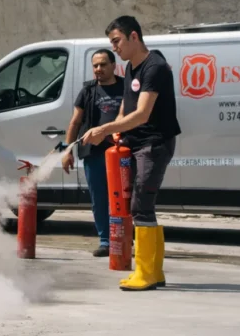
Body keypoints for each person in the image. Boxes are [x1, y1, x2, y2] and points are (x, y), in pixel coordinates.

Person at [81, 15, 181, 291]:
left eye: (117, 41)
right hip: (137, 143)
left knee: (140, 206)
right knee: (142, 206)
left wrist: (104, 129)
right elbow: (127, 107)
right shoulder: (130, 68)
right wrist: (117, 131)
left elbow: (142, 113)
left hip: (154, 144)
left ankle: (146, 273)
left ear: (134, 37)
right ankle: (154, 272)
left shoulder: (155, 67)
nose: (114, 48)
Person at [61, 49, 124, 257]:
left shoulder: (126, 87)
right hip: (94, 154)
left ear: (114, 65)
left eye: (103, 64)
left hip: (123, 152)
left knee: (125, 197)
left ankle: (126, 239)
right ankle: (106, 241)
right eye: (95, 65)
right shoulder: (87, 91)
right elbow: (75, 121)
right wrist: (67, 150)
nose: (99, 69)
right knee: (99, 198)